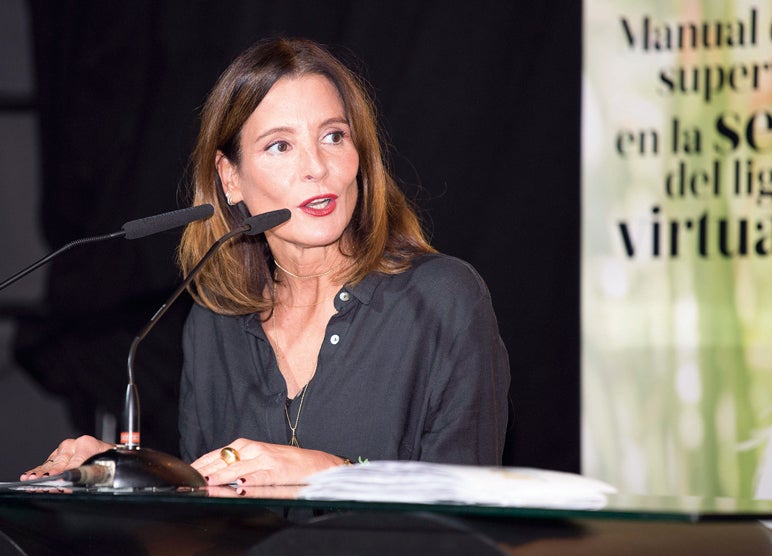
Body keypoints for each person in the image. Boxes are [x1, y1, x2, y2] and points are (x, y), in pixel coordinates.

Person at [21, 37, 510, 486]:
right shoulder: (215, 323)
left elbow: (472, 510)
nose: (316, 167)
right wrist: (127, 472)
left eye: (334, 136)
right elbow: (213, 521)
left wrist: (334, 473)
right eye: (280, 146)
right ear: (230, 178)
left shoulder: (442, 299)